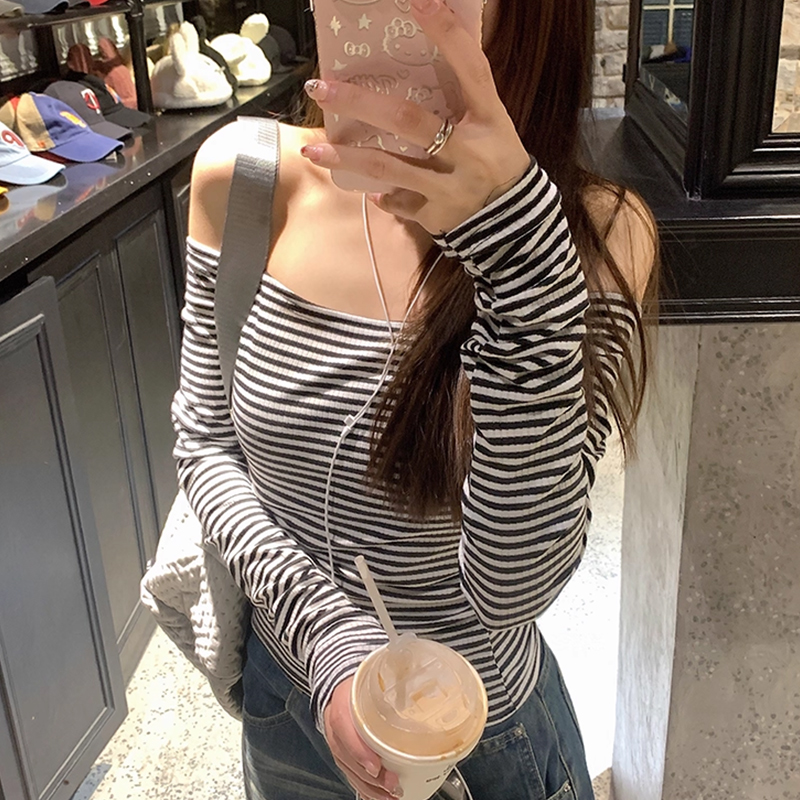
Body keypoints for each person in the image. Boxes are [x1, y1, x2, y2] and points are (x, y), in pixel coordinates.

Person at [173, 0, 658, 799]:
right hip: (287, 702)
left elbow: (513, 587)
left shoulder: (598, 234)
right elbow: (206, 445)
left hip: (481, 738)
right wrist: (326, 639)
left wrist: (523, 263)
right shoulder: (247, 179)